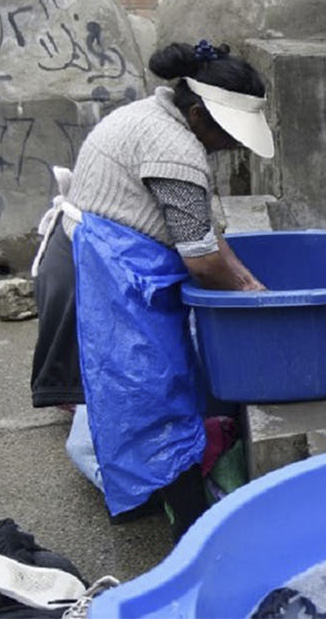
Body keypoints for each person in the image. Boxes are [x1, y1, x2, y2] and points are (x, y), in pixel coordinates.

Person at [29, 40, 274, 542]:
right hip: (100, 273)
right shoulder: (174, 147)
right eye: (230, 134)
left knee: (131, 394)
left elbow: (204, 232)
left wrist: (251, 283)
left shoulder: (155, 117)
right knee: (150, 398)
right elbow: (203, 259)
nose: (234, 146)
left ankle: (141, 502)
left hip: (107, 260)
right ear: (200, 112)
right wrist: (257, 297)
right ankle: (192, 533)